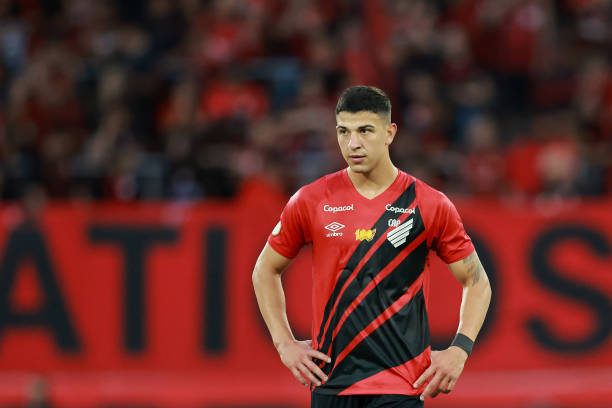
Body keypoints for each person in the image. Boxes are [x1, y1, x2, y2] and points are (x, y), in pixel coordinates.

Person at [252, 86, 492, 407]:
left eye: (365, 130)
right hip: (330, 383)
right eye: (344, 131)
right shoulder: (311, 200)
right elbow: (265, 270)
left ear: (389, 133)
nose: (353, 143)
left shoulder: (428, 203)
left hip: (402, 385)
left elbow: (477, 282)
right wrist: (285, 344)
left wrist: (459, 350)